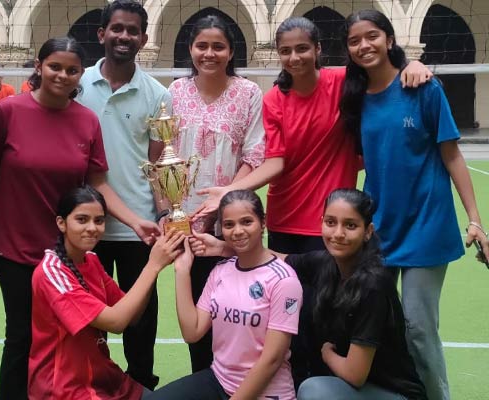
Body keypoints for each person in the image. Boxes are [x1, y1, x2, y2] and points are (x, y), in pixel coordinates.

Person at [192, 16, 432, 386]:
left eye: (302, 48)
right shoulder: (275, 100)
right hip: (286, 222)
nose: (294, 57)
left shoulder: (343, 83)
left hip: (331, 226)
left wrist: (411, 64)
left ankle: (326, 387)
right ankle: (292, 388)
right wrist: (229, 191)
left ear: (318, 49)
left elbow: (382, 71)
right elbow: (277, 160)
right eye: (285, 51)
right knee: (292, 323)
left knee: (330, 320)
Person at [0, 36, 159, 400]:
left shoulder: (86, 121)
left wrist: (134, 220)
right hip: (17, 248)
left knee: (73, 339)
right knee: (20, 338)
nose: (63, 75)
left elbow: (98, 184)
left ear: (81, 73)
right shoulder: (8, 112)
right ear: (38, 66)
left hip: (66, 252)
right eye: (55, 67)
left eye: (72, 69)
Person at [339, 10, 489, 400]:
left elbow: (453, 156)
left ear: (389, 39)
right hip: (380, 230)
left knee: (419, 328)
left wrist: (476, 220)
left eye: (371, 36)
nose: (363, 45)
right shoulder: (354, 97)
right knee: (373, 324)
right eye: (354, 41)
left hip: (426, 225)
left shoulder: (424, 89)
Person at [192, 189, 428, 400]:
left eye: (350, 225)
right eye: (331, 222)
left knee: (313, 390)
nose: (338, 233)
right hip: (352, 388)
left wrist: (326, 355)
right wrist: (226, 247)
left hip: (390, 392)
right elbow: (277, 258)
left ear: (368, 232)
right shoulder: (325, 262)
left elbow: (355, 375)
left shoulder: (373, 286)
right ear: (321, 223)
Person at [77, 0, 170, 389]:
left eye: (133, 30)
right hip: (85, 228)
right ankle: (85, 386)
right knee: (85, 319)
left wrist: (165, 212)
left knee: (140, 320)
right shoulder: (75, 83)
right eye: (117, 28)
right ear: (102, 34)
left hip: (138, 228)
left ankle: (142, 385)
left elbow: (158, 163)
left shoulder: (158, 95)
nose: (124, 36)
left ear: (143, 39)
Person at [168, 14, 265, 372]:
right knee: (197, 312)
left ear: (230, 51)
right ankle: (204, 381)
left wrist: (222, 201)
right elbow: (165, 158)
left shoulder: (249, 93)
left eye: (218, 46)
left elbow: (255, 154)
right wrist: (170, 211)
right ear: (190, 48)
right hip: (188, 225)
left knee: (239, 314)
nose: (209, 53)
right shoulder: (175, 92)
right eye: (201, 46)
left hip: (231, 222)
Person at [29, 185, 185, 399]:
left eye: (99, 220)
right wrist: (153, 265)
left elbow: (133, 315)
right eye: (82, 220)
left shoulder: (90, 260)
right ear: (61, 223)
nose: (92, 228)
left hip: (105, 379)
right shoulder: (51, 273)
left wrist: (154, 263)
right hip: (64, 389)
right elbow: (116, 322)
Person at [148, 189, 303, 400]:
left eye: (247, 222)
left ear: (263, 223)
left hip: (266, 393)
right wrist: (182, 270)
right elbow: (192, 332)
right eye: (229, 225)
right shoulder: (221, 271)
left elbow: (272, 360)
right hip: (219, 381)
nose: (237, 231)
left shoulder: (284, 280)